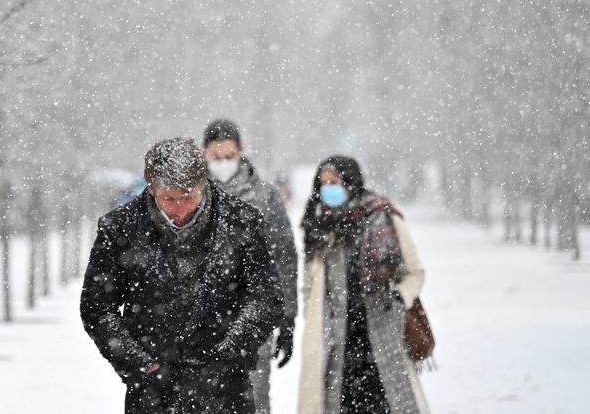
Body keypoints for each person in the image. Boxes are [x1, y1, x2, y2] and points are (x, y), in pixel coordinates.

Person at [80, 137, 284, 414]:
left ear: (204, 183)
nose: (180, 210)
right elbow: (97, 309)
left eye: (189, 197)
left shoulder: (243, 222)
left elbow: (266, 299)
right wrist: (140, 364)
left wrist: (230, 354)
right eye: (169, 199)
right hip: (153, 393)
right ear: (151, 189)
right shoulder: (120, 229)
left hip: (226, 390)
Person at [297, 156, 431, 414]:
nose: (328, 189)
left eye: (334, 182)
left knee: (388, 403)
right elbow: (309, 282)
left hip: (379, 337)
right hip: (335, 343)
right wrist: (312, 315)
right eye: (323, 183)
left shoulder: (382, 217)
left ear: (350, 182)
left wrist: (399, 298)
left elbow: (414, 272)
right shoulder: (318, 224)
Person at [203, 119, 299, 414]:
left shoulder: (265, 197)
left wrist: (287, 317)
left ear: (241, 151)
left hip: (254, 316)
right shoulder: (192, 195)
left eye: (228, 156)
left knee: (254, 399)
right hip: (201, 320)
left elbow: (284, 258)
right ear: (204, 153)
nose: (222, 163)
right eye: (216, 157)